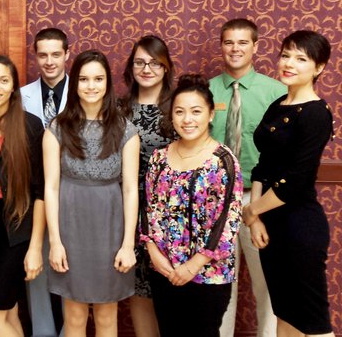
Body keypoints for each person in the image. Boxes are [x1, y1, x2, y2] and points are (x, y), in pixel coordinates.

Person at [243, 30, 335, 337]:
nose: (289, 63)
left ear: (319, 68)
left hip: (300, 226)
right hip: (271, 225)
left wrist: (251, 210)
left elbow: (292, 182)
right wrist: (255, 219)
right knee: (286, 315)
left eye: (301, 58)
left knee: (313, 321)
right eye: (285, 55)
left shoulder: (315, 114)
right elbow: (262, 165)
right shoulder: (279, 103)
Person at [43, 50, 139, 336]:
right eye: (84, 79)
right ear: (75, 84)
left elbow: (132, 189)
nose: (91, 86)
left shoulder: (125, 130)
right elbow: (50, 187)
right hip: (70, 229)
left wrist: (127, 244)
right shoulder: (57, 129)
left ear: (108, 83)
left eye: (98, 79)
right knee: (73, 318)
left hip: (111, 230)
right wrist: (55, 242)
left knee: (107, 316)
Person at [141, 73, 243, 337]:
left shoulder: (223, 161)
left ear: (210, 114)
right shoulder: (159, 159)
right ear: (171, 116)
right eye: (180, 112)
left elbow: (228, 220)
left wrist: (194, 264)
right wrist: (153, 251)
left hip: (208, 274)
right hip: (165, 270)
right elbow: (148, 209)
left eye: (196, 111)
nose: (187, 119)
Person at [209, 18, 284, 337]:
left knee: (268, 283)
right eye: (228, 42)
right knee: (219, 281)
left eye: (242, 42)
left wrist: (261, 206)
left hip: (260, 199)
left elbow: (286, 155)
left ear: (255, 46)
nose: (235, 49)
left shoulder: (277, 92)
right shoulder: (207, 90)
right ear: (221, 46)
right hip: (216, 200)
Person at [0, 55, 46, 336]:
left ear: (14, 86)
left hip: (14, 228)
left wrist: (35, 247)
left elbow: (40, 192)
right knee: (9, 311)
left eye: (3, 80)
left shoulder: (30, 126)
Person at [119, 34, 176, 337]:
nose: (147, 68)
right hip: (126, 209)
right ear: (131, 67)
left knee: (167, 287)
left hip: (168, 212)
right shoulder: (119, 109)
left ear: (166, 67)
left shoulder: (177, 108)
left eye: (155, 63)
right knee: (137, 288)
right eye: (140, 62)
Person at [20, 27, 70, 336]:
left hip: (73, 198)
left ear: (67, 54)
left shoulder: (85, 92)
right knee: (36, 274)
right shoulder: (21, 95)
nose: (49, 62)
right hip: (34, 198)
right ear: (35, 56)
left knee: (69, 278)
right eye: (42, 55)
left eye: (55, 54)